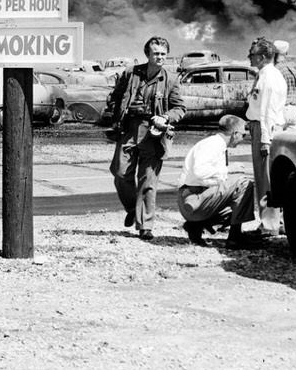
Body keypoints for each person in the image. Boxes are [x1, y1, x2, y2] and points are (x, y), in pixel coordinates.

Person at [102, 36, 185, 240]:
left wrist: (165, 117)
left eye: (163, 54)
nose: (160, 57)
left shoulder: (171, 79)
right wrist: (114, 115)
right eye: (156, 53)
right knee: (120, 172)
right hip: (129, 128)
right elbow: (116, 95)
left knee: (148, 180)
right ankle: (133, 208)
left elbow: (180, 108)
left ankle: (145, 225)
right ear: (147, 54)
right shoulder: (131, 73)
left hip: (154, 133)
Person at [176, 114, 258, 248]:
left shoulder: (216, 144)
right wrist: (228, 169)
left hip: (196, 197)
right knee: (244, 183)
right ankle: (235, 238)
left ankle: (196, 226)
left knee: (239, 205)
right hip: (193, 199)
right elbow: (199, 172)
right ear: (235, 133)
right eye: (243, 135)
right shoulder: (213, 145)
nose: (243, 139)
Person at [245, 36, 287, 220]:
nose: (249, 58)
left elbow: (267, 111)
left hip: (264, 129)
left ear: (262, 57)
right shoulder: (266, 74)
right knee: (266, 178)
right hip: (262, 127)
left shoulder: (268, 78)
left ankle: (268, 225)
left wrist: (264, 139)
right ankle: (272, 222)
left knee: (265, 179)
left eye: (251, 54)